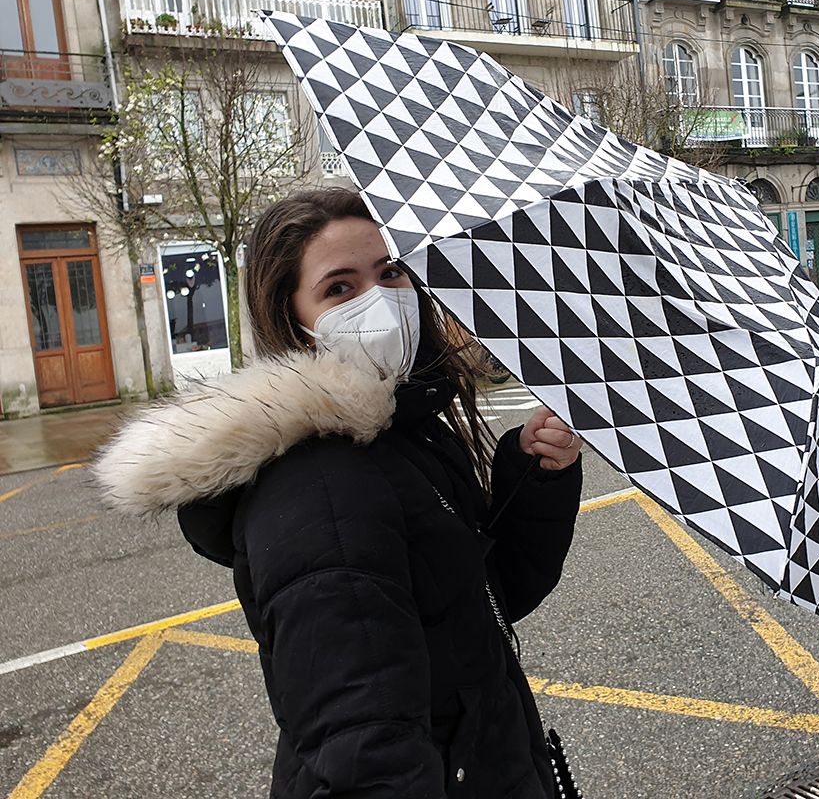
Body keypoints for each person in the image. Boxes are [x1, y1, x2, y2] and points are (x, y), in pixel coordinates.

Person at [95, 188, 584, 797]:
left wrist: (533, 475)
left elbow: (482, 604)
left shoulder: (405, 433)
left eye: (391, 271)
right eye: (340, 288)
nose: (379, 299)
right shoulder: (321, 485)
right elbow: (360, 755)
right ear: (291, 319)